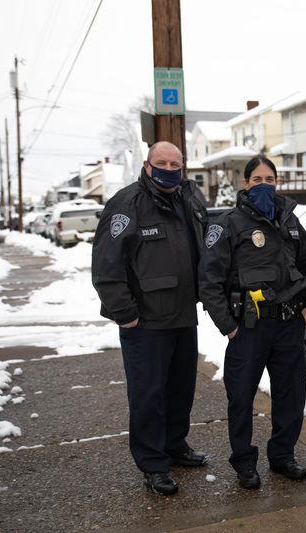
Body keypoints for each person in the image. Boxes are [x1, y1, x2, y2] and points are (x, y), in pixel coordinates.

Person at [91, 141, 211, 496]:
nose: (169, 168)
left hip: (182, 315)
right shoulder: (127, 205)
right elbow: (106, 267)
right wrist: (125, 314)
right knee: (148, 395)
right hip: (145, 323)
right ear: (147, 165)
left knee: (181, 388)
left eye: (176, 163)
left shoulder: (188, 198)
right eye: (162, 162)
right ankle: (153, 463)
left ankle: (175, 446)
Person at [199, 156, 306, 490]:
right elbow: (209, 282)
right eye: (257, 179)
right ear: (245, 184)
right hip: (248, 329)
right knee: (241, 398)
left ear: (277, 183)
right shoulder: (229, 224)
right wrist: (229, 326)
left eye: (270, 178)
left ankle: (282, 457)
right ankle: (244, 463)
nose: (264, 184)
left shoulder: (292, 223)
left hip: (287, 326)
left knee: (291, 396)